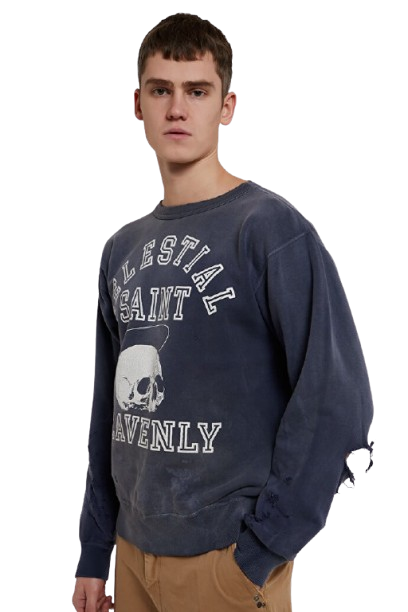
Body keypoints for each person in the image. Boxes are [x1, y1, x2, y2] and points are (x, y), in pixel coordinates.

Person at [72, 12, 375, 612]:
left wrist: (260, 552)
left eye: (197, 91)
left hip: (224, 564)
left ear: (227, 107)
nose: (176, 109)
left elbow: (336, 400)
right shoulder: (120, 249)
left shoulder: (269, 230)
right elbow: (108, 409)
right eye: (161, 90)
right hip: (131, 557)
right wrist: (94, 549)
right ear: (137, 105)